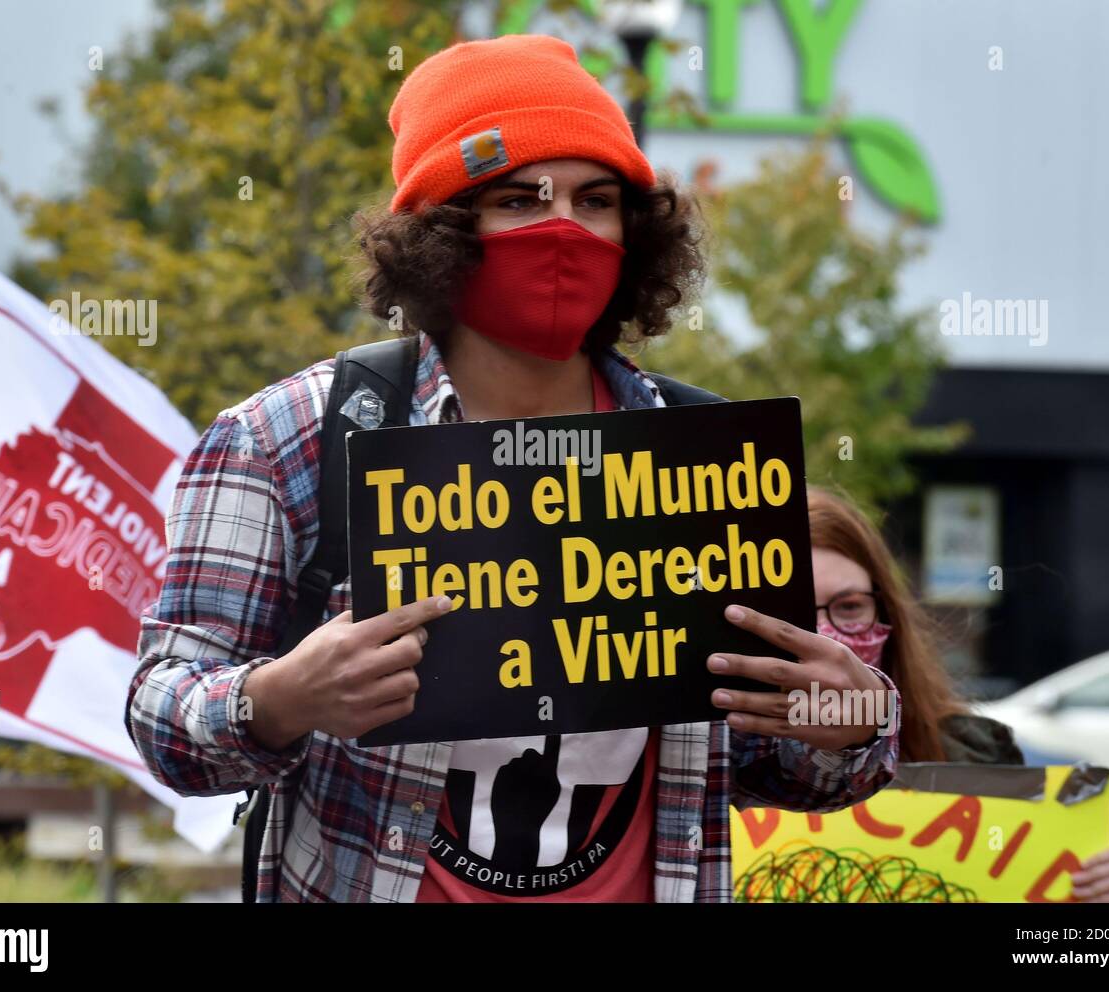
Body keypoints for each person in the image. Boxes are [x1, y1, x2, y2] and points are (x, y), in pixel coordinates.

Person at [125, 33, 902, 904]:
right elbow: (163, 719)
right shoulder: (290, 436)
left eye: (596, 200)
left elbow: (777, 765)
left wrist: (851, 720)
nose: (564, 228)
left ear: (636, 234)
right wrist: (280, 699)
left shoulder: (705, 456)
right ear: (443, 233)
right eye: (519, 199)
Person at [806, 485, 1109, 903]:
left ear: (887, 614)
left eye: (850, 607)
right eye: (795, 613)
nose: (828, 642)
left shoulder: (969, 755)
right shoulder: (726, 769)